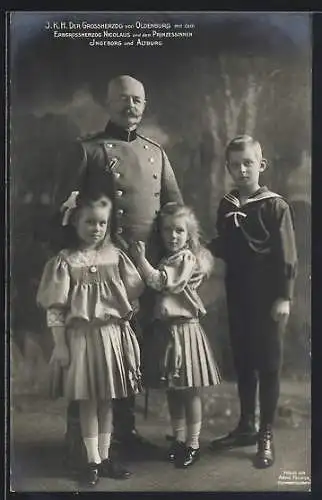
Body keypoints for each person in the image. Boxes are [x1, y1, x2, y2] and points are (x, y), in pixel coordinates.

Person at [52, 75, 183, 457]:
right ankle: (81, 442)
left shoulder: (157, 152)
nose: (131, 106)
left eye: (138, 100)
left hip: (144, 269)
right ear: (108, 103)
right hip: (101, 274)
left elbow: (176, 209)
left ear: (145, 105)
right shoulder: (88, 151)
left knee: (130, 355)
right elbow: (63, 214)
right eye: (123, 99)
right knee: (93, 358)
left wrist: (186, 256)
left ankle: (122, 435)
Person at [36, 191, 145, 486]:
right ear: (75, 223)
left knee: (107, 401)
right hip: (81, 339)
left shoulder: (116, 257)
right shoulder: (66, 261)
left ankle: (106, 457)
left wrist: (123, 326)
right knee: (87, 402)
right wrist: (60, 344)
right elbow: (56, 309)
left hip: (110, 337)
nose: (96, 229)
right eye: (89, 223)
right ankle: (91, 460)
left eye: (101, 223)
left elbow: (131, 296)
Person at [208, 135, 297, 468]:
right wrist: (199, 249)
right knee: (244, 361)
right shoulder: (228, 204)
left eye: (248, 163)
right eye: (235, 164)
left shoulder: (276, 206)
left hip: (269, 297)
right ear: (229, 168)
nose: (242, 170)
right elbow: (224, 243)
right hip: (238, 293)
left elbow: (287, 255)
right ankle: (246, 425)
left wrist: (284, 296)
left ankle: (266, 433)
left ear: (261, 165)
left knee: (268, 364)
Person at [131, 202, 221, 468]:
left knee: (189, 390)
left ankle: (193, 443)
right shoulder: (168, 258)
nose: (173, 236)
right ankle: (179, 439)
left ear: (189, 234)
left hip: (185, 330)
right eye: (168, 230)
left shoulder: (185, 259)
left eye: (179, 231)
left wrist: (140, 261)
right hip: (168, 330)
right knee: (173, 389)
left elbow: (162, 282)